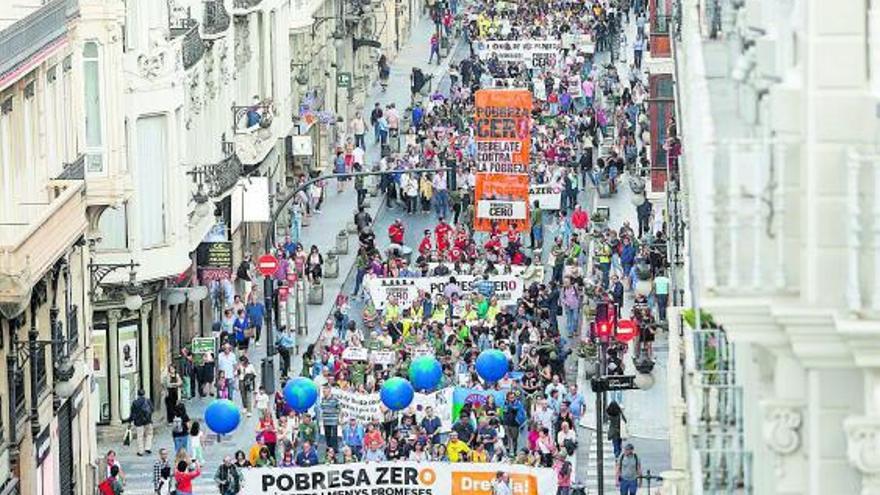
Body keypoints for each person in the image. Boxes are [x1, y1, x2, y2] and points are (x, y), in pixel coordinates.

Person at [130, 388, 154, 456]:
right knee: (149, 434)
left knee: (140, 436)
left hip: (139, 422)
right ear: (144, 393)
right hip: (148, 421)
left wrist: (130, 421)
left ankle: (140, 451)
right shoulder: (148, 401)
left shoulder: (135, 402)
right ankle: (147, 448)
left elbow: (132, 413)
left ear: (138, 394)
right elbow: (152, 409)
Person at [320, 386, 341, 451]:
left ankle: (335, 449)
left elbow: (339, 408)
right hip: (326, 420)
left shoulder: (335, 399)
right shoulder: (323, 399)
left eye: (325, 391)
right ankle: (329, 448)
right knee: (327, 435)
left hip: (333, 420)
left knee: (334, 435)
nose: (323, 393)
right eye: (323, 392)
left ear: (329, 392)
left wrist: (334, 412)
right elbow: (322, 407)